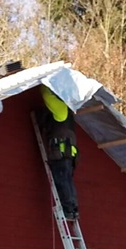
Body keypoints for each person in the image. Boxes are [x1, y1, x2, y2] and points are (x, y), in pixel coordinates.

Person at [38, 86, 79, 219]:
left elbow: (47, 97)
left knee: (62, 182)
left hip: (61, 154)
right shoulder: (68, 113)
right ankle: (72, 209)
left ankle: (68, 208)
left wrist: (43, 84)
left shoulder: (62, 110)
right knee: (67, 182)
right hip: (68, 155)